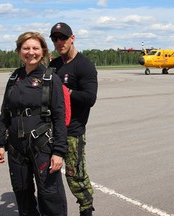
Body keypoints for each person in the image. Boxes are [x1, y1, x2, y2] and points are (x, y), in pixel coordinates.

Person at [0, 31, 68, 216]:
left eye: (35, 48)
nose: (31, 52)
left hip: (42, 146)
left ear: (42, 51)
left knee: (50, 195)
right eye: (26, 48)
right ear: (19, 51)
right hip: (16, 147)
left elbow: (60, 117)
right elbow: (5, 112)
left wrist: (58, 151)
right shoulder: (14, 79)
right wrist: (0, 143)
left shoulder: (51, 79)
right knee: (22, 193)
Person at [49, 22, 98, 216]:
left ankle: (86, 209)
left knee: (75, 177)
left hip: (73, 132)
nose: (59, 42)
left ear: (72, 38)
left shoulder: (84, 65)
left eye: (63, 37)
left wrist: (66, 91)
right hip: (52, 130)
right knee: (50, 174)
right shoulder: (54, 65)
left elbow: (90, 98)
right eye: (55, 38)